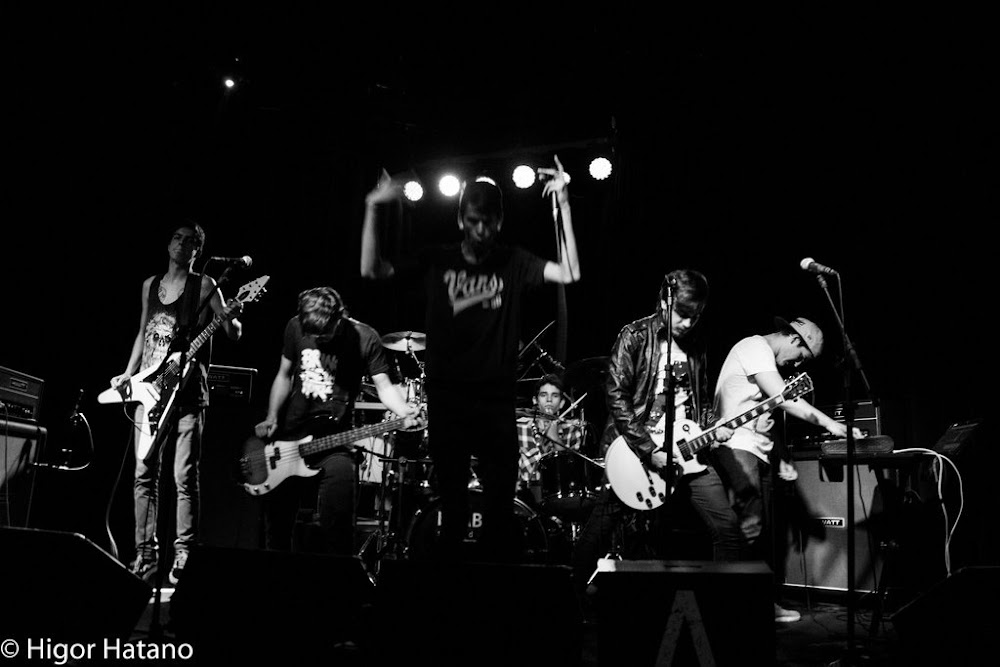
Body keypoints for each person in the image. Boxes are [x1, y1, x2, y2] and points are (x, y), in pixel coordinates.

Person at [361, 157, 580, 562]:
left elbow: (569, 272)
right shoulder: (438, 259)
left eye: (489, 222)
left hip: (496, 400)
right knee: (453, 510)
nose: (482, 230)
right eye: (475, 221)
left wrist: (563, 206)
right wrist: (374, 206)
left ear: (500, 221)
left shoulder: (514, 261)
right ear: (461, 219)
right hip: (448, 399)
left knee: (500, 511)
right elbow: (372, 270)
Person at [572, 270, 743, 599]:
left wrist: (715, 426)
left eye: (695, 316)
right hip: (636, 452)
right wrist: (649, 449)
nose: (688, 323)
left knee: (727, 527)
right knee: (599, 529)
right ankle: (571, 600)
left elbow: (700, 401)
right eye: (682, 315)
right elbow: (616, 396)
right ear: (665, 303)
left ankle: (724, 608)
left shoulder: (697, 344)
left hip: (687, 451)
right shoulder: (635, 335)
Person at [110, 221, 244, 584]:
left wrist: (231, 319)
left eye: (190, 241)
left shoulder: (206, 285)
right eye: (177, 238)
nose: (181, 244)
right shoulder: (150, 285)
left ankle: (184, 553)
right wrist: (128, 373)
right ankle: (145, 555)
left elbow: (232, 333)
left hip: (187, 394)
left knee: (183, 475)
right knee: (143, 473)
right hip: (149, 390)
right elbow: (143, 331)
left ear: (198, 250)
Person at [710, 315, 863, 622]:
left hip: (758, 450)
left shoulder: (765, 361)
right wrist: (833, 425)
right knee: (748, 529)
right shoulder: (754, 347)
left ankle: (762, 602)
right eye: (801, 356)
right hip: (738, 447)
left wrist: (781, 457)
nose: (797, 364)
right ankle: (734, 608)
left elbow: (763, 418)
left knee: (764, 533)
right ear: (794, 339)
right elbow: (783, 399)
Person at [254, 286, 421, 555]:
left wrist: (404, 411)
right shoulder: (295, 326)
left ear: (339, 317)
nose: (319, 339)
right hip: (291, 436)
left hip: (337, 439)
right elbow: (284, 374)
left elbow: (384, 386)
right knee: (277, 527)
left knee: (338, 523)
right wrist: (272, 415)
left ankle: (336, 577)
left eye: (324, 334)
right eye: (313, 335)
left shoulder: (365, 337)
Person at [515, 373, 586, 509]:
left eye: (555, 396)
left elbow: (571, 472)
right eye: (543, 395)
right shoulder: (520, 427)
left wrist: (555, 439)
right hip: (525, 497)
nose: (549, 400)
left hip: (560, 497)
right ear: (535, 400)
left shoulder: (572, 429)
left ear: (562, 403)